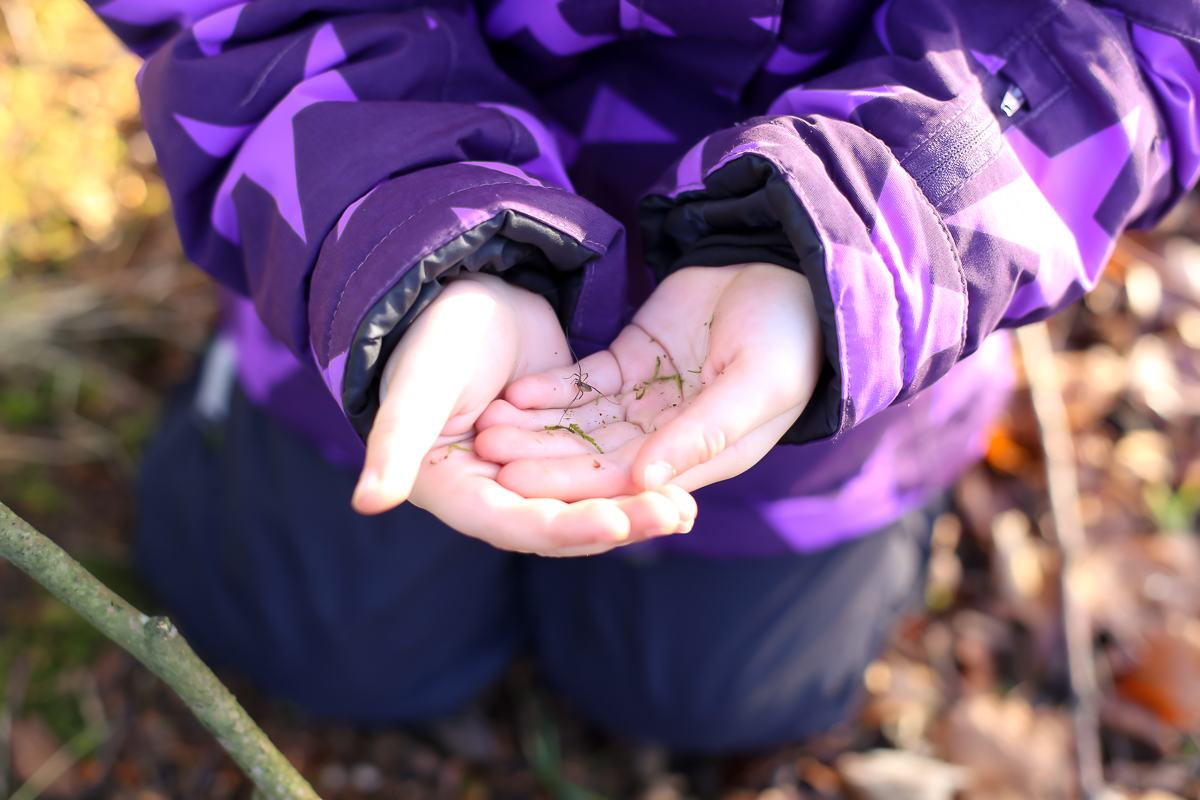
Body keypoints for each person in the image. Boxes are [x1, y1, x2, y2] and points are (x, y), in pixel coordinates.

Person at [88, 0, 1199, 750]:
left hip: (853, 299)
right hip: (374, 217)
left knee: (713, 692)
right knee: (310, 635)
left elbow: (1135, 38)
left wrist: (856, 237)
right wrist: (405, 228)